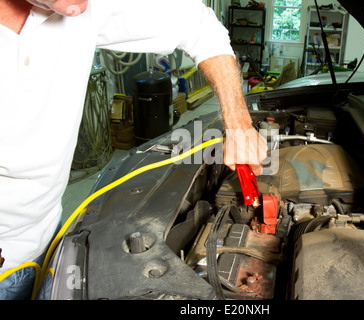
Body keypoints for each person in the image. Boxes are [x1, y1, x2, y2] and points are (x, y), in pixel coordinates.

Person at [0, 0, 267, 300]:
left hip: (49, 238)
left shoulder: (84, 6)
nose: (78, 8)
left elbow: (200, 24)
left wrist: (239, 124)